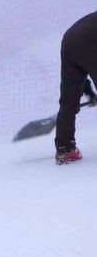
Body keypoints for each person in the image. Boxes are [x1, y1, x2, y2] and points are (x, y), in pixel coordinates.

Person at [55, 11, 97, 164]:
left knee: (68, 100)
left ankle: (65, 149)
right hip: (92, 39)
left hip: (70, 39)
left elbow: (80, 65)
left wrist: (88, 91)